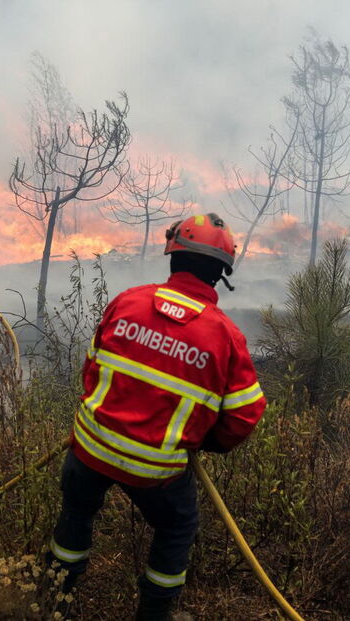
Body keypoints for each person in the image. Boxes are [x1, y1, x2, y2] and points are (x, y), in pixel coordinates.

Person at [46, 213, 267, 621]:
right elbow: (244, 417)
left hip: (91, 446)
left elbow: (91, 370)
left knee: (76, 512)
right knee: (177, 527)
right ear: (221, 273)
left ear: (172, 256)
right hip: (156, 468)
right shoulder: (225, 337)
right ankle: (154, 614)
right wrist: (203, 441)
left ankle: (54, 598)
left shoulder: (127, 301)